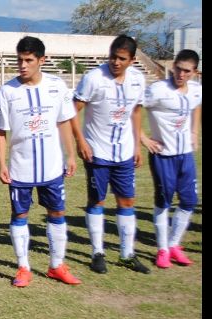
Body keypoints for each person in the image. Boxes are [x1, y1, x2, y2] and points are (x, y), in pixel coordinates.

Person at [0, 36, 82, 288]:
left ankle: (57, 265)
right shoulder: (7, 91)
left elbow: (64, 122)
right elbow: (0, 132)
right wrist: (2, 164)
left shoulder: (57, 85)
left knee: (57, 212)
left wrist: (71, 154)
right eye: (19, 59)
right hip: (20, 168)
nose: (22, 65)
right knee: (20, 214)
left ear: (41, 60)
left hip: (52, 166)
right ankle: (23, 267)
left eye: (29, 60)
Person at [71, 35, 150, 274]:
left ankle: (127, 254)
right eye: (112, 57)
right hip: (98, 152)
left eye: (122, 58)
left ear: (132, 60)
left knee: (126, 202)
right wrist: (80, 141)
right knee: (98, 201)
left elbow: (136, 112)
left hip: (124, 152)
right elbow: (72, 111)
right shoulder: (94, 78)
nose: (115, 62)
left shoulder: (137, 79)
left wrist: (137, 145)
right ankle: (98, 252)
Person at [140, 49, 202, 268]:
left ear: (194, 73)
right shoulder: (158, 90)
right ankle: (163, 249)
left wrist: (195, 131)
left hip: (185, 155)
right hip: (163, 156)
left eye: (186, 71)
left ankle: (174, 244)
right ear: (173, 66)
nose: (181, 74)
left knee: (189, 201)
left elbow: (196, 106)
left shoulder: (195, 90)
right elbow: (134, 110)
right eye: (178, 68)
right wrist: (143, 139)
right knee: (163, 201)